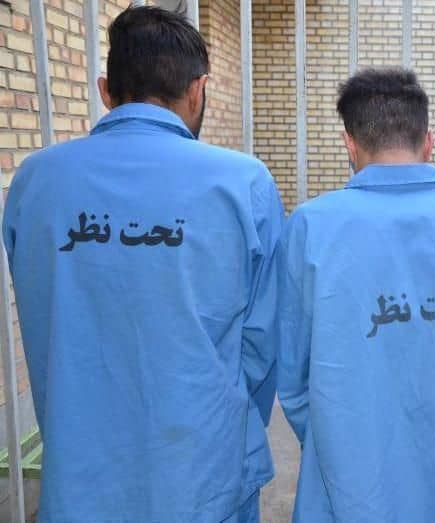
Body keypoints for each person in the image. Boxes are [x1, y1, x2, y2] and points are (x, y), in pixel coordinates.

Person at [2, 6, 284, 523]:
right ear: (198, 90)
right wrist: (231, 427)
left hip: (80, 474)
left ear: (105, 91)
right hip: (203, 476)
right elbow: (263, 342)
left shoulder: (35, 182)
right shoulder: (243, 184)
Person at [276, 67, 435, 523]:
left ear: (350, 144)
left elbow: (292, 377)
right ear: (428, 141)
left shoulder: (312, 227)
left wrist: (342, 444)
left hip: (350, 490)